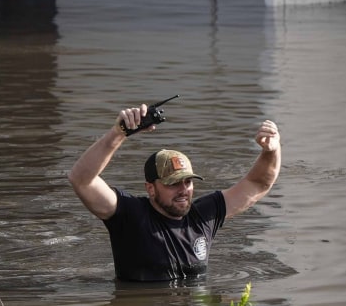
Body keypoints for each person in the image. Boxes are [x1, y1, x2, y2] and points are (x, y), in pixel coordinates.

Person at [68, 103, 281, 282]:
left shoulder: (204, 216)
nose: (183, 190)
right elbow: (81, 180)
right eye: (173, 183)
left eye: (188, 182)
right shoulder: (129, 215)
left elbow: (258, 183)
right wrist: (118, 134)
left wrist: (271, 151)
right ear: (150, 188)